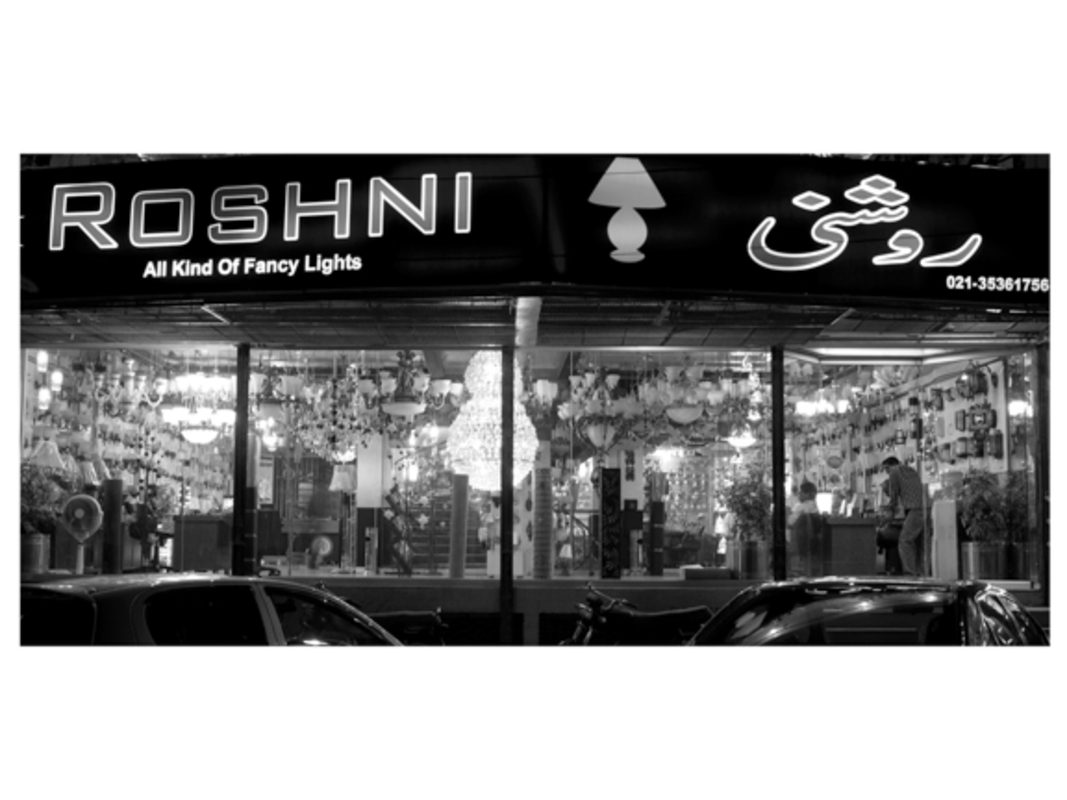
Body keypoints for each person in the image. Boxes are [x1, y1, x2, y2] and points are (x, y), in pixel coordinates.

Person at [881, 456, 926, 576]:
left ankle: (909, 574)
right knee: (920, 544)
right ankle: (921, 574)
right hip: (926, 507)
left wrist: (887, 515)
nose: (886, 472)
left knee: (905, 541)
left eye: (885, 469)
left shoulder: (894, 471)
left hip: (915, 509)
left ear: (890, 466)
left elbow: (894, 495)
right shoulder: (910, 470)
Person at [787, 481, 824, 577]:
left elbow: (789, 522)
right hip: (812, 541)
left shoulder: (802, 507)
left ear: (807, 494)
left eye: (801, 493)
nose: (799, 495)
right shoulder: (814, 507)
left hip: (799, 541)